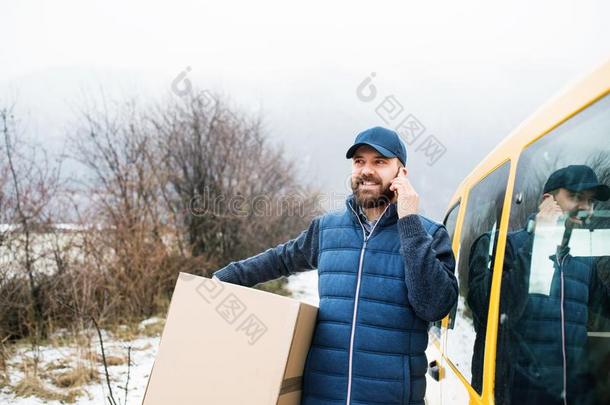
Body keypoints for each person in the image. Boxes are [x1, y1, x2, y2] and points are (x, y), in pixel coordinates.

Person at [212, 126, 458, 405]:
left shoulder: (428, 234)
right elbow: (281, 259)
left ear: (401, 173)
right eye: (359, 161)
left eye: (379, 162)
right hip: (322, 397)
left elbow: (435, 306)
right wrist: (223, 278)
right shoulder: (327, 229)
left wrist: (409, 222)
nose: (366, 170)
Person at [468, 165, 610, 405]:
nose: (586, 208)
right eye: (576, 197)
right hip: (515, 396)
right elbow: (487, 311)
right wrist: (538, 241)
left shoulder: (583, 260)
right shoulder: (503, 247)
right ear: (547, 201)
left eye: (590, 201)